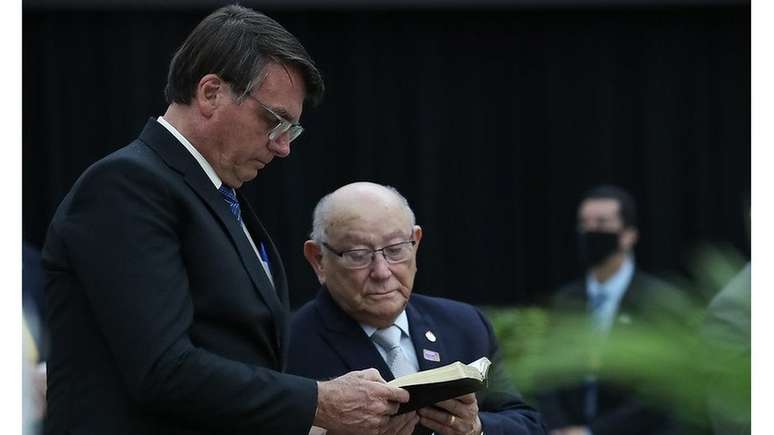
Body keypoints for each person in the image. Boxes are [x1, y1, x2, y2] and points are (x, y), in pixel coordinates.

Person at [41, 6, 408, 435]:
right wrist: (317, 403)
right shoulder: (126, 186)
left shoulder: (217, 194)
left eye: (292, 130)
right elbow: (163, 369)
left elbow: (236, 355)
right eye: (275, 121)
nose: (283, 147)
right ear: (211, 92)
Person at [287, 182, 546, 435]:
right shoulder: (287, 344)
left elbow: (529, 423)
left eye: (396, 249)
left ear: (416, 242)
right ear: (319, 260)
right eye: (358, 255)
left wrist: (476, 429)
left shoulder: (464, 324)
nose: (382, 271)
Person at [537, 185, 688, 435]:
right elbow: (547, 377)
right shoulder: (565, 300)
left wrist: (592, 432)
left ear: (628, 235)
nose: (591, 230)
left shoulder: (658, 301)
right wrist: (559, 427)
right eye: (584, 222)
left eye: (602, 222)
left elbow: (661, 391)